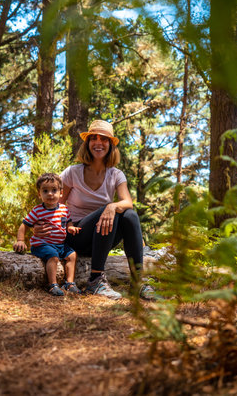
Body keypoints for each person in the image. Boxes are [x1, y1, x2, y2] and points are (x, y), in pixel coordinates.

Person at [34, 120, 152, 300]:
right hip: (75, 235)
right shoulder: (72, 172)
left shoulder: (115, 174)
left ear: (111, 145)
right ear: (87, 144)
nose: (98, 143)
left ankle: (138, 283)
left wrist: (112, 206)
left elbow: (127, 201)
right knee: (109, 210)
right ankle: (96, 280)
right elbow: (53, 204)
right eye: (93, 139)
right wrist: (40, 228)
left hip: (103, 239)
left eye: (104, 139)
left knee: (129, 215)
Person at [13, 173, 81, 296]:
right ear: (40, 194)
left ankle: (70, 283)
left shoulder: (64, 209)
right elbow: (24, 225)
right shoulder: (38, 210)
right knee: (53, 257)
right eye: (45, 191)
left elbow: (68, 222)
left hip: (60, 244)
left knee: (72, 255)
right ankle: (52, 285)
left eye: (54, 190)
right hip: (42, 244)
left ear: (61, 193)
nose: (50, 194)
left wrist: (70, 228)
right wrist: (20, 240)